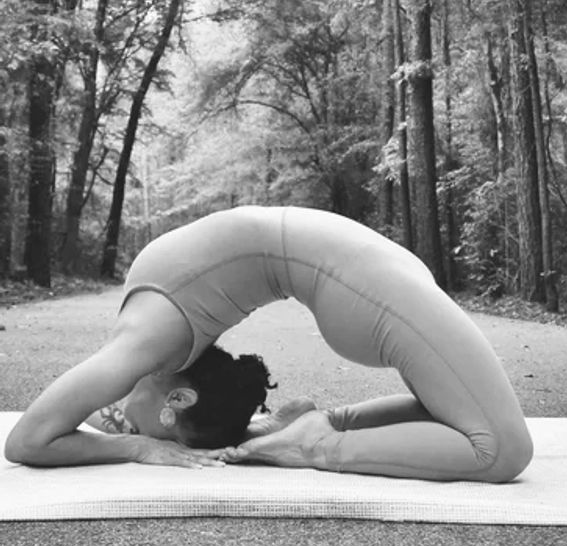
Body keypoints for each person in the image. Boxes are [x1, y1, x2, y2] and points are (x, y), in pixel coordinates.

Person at [5, 206, 533, 482]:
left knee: (495, 449)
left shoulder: (145, 347)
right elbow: (68, 430)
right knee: (492, 442)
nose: (117, 415)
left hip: (362, 279)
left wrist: (142, 444)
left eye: (144, 427)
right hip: (362, 275)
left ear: (179, 400)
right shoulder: (156, 350)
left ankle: (313, 439)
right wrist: (144, 438)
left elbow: (28, 440)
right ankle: (321, 437)